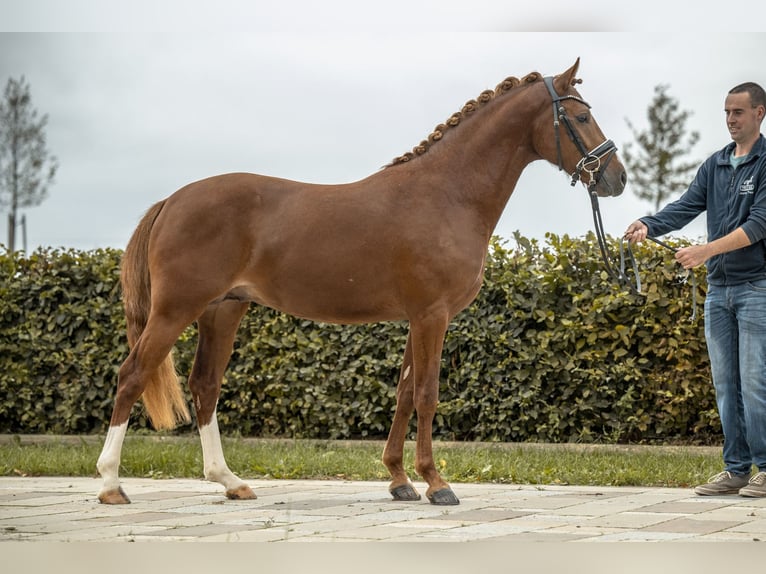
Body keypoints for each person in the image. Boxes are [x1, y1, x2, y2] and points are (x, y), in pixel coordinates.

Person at [625, 81, 766, 497]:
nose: (730, 120)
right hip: (718, 292)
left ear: (759, 113)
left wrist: (705, 250)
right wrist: (649, 223)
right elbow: (687, 206)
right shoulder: (716, 165)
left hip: (756, 288)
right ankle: (736, 469)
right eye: (726, 112)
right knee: (726, 384)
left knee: (756, 382)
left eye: (738, 112)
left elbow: (758, 226)